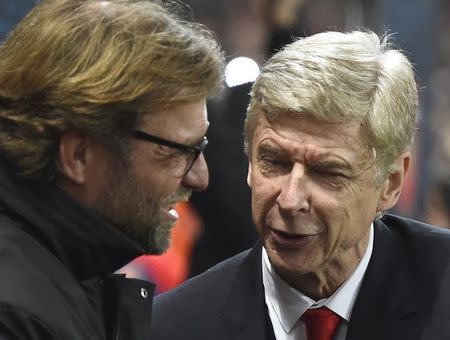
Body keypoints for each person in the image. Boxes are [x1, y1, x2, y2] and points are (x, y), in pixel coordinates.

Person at [151, 30, 450, 340]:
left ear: (390, 183)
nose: (290, 200)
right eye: (275, 162)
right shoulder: (175, 327)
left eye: (327, 173)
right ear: (250, 164)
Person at [0, 0, 223, 339]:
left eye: (201, 148)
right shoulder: (17, 316)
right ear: (79, 155)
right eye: (176, 151)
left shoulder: (69, 270)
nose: (199, 177)